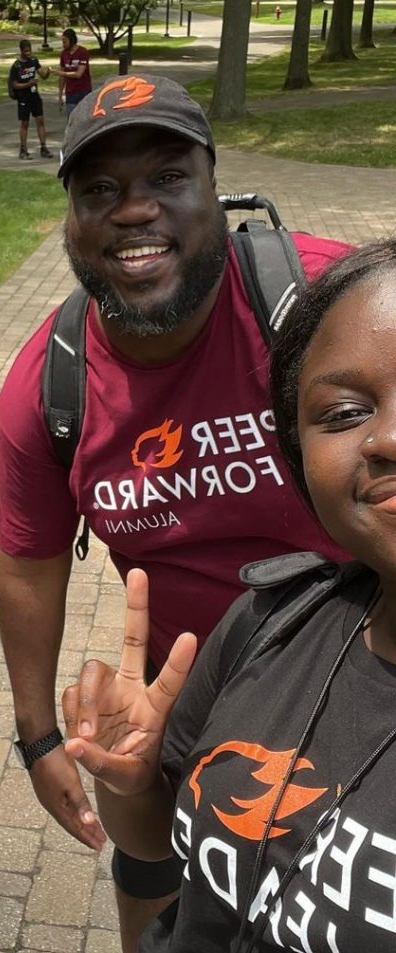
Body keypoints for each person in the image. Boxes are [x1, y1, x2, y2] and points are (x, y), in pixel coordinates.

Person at [0, 74, 351, 951]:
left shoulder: (323, 303)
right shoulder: (50, 386)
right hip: (183, 689)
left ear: (214, 191)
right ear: (71, 222)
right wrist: (38, 733)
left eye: (167, 177)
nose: (133, 210)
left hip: (359, 669)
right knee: (157, 871)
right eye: (101, 191)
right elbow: (29, 562)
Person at [61, 238, 396, 952]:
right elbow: (157, 841)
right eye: (342, 413)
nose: (389, 437)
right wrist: (128, 777)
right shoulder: (271, 622)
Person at [8, 39, 53, 160]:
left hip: (34, 96)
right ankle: (23, 150)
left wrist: (48, 72)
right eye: (26, 51)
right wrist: (28, 84)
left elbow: (42, 75)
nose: (28, 53)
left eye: (29, 50)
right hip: (23, 97)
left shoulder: (34, 61)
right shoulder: (17, 66)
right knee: (25, 123)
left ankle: (44, 148)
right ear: (21, 50)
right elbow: (14, 85)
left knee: (40, 120)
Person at [57, 28, 92, 116]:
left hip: (83, 90)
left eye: (65, 42)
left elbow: (78, 74)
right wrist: (60, 94)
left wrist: (62, 73)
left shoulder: (82, 52)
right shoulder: (63, 54)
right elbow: (62, 76)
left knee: (84, 118)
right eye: (62, 42)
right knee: (71, 118)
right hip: (70, 92)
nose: (63, 44)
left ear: (72, 40)